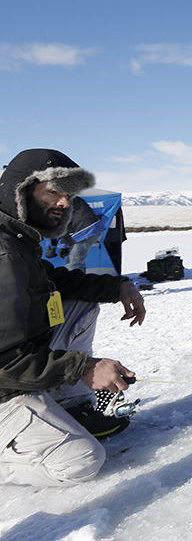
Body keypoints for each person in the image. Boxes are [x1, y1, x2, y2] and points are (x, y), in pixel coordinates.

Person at [0, 148, 145, 486]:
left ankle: (65, 405)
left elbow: (55, 281)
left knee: (80, 305)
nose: (65, 204)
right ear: (20, 190)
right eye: (54, 192)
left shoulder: (18, 239)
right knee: (82, 461)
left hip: (17, 368)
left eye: (67, 195)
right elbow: (4, 363)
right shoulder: (5, 256)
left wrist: (118, 286)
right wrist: (83, 368)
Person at [63, 195, 103, 272]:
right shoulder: (70, 197)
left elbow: (61, 226)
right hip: (83, 232)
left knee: (74, 263)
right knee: (73, 260)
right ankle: (80, 280)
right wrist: (65, 246)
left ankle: (75, 283)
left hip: (85, 231)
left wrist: (52, 247)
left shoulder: (62, 201)